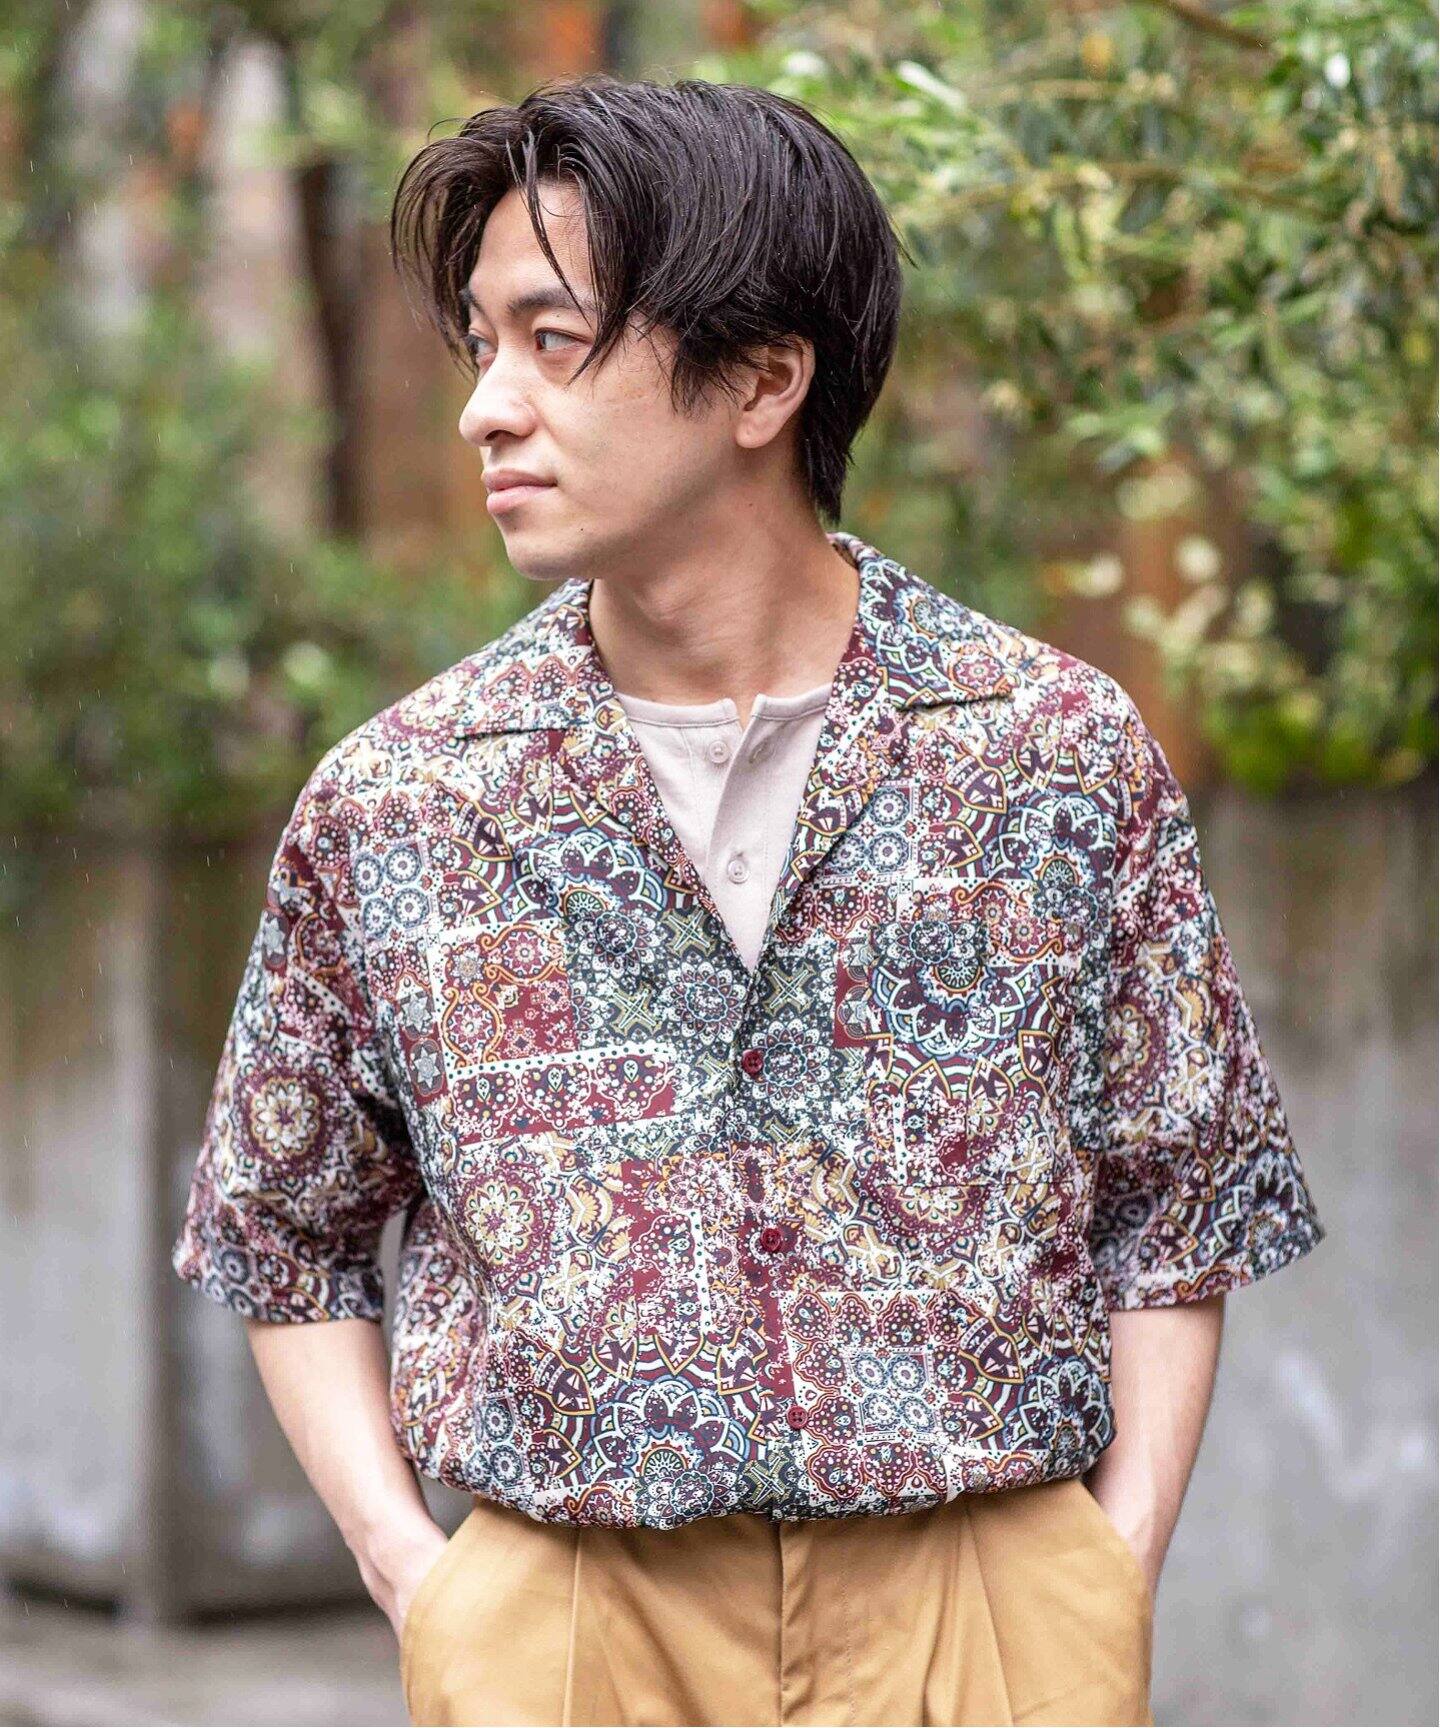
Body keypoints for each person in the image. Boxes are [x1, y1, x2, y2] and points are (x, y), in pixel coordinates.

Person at [171, 73, 1327, 1728]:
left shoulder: (1047, 752)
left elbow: (1181, 1196)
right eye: (480, 344)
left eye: (553, 340)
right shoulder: (403, 801)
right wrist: (422, 1582)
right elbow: (281, 1227)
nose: (485, 407)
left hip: (982, 1612)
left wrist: (1105, 1572)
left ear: (765, 380)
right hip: (571, 1626)